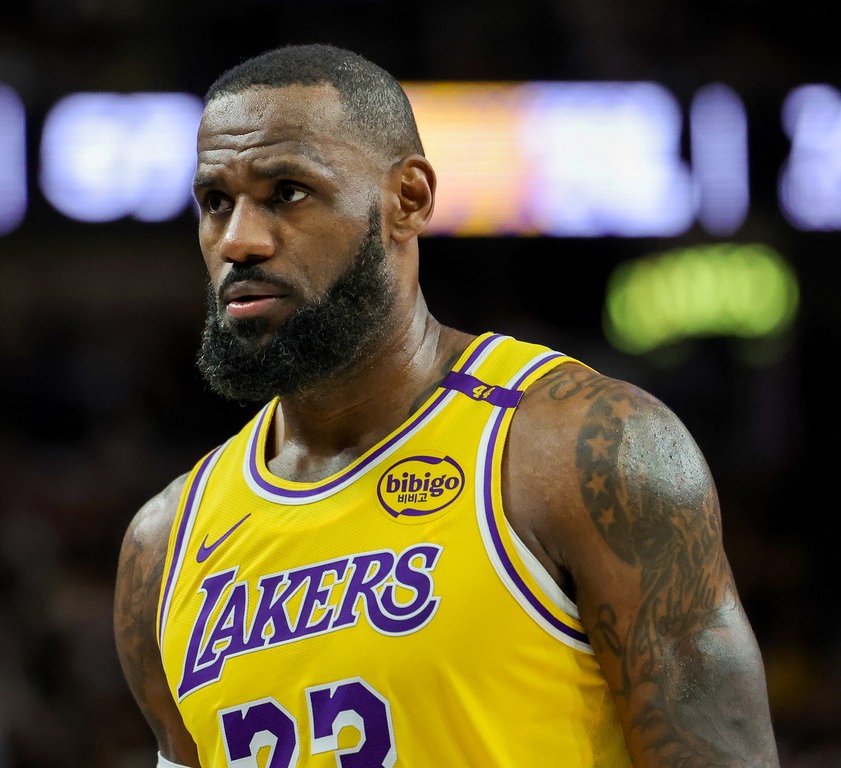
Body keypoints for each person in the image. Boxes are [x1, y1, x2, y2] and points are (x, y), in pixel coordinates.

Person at [113, 43, 780, 768]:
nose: (239, 240)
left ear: (408, 200)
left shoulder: (581, 450)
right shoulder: (164, 546)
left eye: (288, 193)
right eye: (216, 202)